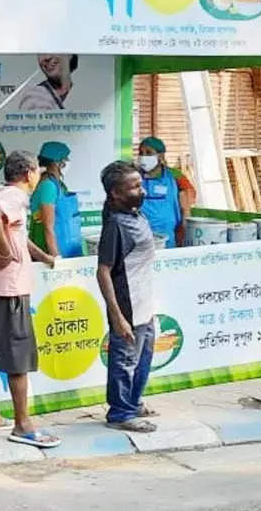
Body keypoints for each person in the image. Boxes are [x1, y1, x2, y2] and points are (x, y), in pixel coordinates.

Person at [0, 151, 60, 447]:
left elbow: (18, 236)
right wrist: (5, 253)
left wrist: (43, 257)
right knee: (17, 357)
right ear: (28, 173)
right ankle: (23, 424)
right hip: (10, 288)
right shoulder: (14, 197)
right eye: (37, 171)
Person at [96, 160, 158, 433]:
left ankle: (133, 402)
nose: (140, 191)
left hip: (145, 301)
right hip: (127, 305)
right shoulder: (116, 225)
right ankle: (120, 412)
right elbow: (103, 271)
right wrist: (117, 316)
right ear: (116, 194)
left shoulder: (136, 216)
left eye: (140, 185)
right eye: (133, 187)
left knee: (143, 357)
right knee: (125, 360)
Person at [137, 137, 195, 248]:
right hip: (139, 233)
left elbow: (187, 198)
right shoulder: (134, 176)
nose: (143, 157)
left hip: (167, 234)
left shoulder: (175, 176)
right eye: (141, 153)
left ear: (160, 156)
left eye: (149, 153)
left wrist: (184, 223)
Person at [30, 141, 83, 258]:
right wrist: (56, 258)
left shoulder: (58, 184)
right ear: (56, 163)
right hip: (53, 251)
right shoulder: (48, 186)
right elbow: (48, 227)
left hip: (68, 246)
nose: (68, 162)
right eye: (65, 159)